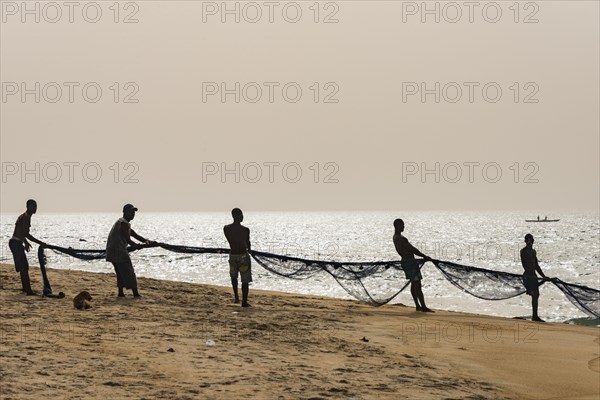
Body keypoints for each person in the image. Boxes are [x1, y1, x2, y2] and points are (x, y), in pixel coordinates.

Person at [106, 204, 154, 298]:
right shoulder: (123, 223)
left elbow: (134, 234)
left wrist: (146, 241)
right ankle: (135, 294)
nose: (133, 214)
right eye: (131, 212)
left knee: (120, 272)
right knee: (129, 272)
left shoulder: (122, 222)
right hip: (118, 251)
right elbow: (128, 239)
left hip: (112, 251)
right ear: (124, 212)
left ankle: (120, 293)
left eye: (134, 212)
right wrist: (136, 246)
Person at [393, 219, 433, 312]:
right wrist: (424, 256)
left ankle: (418, 305)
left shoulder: (394, 237)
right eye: (402, 225)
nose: (403, 227)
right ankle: (423, 306)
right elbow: (412, 249)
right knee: (417, 284)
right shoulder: (401, 238)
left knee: (413, 284)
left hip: (405, 262)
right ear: (397, 226)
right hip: (410, 262)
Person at [8, 199, 46, 295]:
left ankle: (26, 288)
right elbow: (26, 233)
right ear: (28, 207)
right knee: (24, 267)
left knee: (23, 267)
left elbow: (20, 232)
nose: (35, 208)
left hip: (16, 243)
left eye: (36, 206)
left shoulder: (24, 216)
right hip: (15, 243)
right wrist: (40, 242)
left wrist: (25, 242)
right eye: (33, 206)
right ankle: (28, 290)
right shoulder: (26, 217)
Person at [224, 208, 252, 307]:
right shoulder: (245, 230)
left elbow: (231, 240)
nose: (243, 217)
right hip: (243, 256)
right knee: (245, 279)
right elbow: (248, 244)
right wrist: (250, 250)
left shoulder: (226, 228)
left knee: (234, 277)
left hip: (232, 255)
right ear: (237, 216)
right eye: (241, 215)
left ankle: (236, 297)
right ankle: (244, 302)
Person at [520, 233, 549, 322]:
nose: (530, 241)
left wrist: (543, 276)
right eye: (528, 239)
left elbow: (536, 265)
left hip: (534, 276)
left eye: (531, 239)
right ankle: (534, 316)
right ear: (525, 241)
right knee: (533, 293)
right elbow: (525, 264)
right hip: (528, 275)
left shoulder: (533, 252)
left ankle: (535, 316)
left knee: (536, 295)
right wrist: (529, 277)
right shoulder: (523, 251)